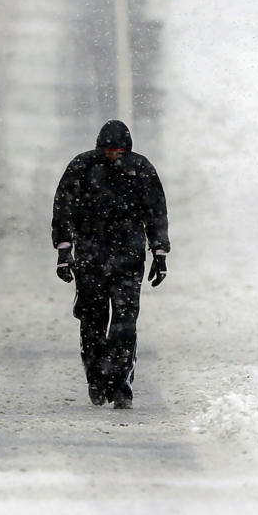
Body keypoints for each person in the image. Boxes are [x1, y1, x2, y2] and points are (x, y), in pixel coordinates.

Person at [52, 119, 170, 409]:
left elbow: (155, 212)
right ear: (99, 147)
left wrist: (159, 252)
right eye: (108, 150)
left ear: (127, 148)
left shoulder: (141, 170)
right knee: (92, 320)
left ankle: (120, 385)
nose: (113, 155)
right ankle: (96, 376)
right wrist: (65, 251)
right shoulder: (82, 168)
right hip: (91, 257)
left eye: (118, 150)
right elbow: (63, 210)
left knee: (125, 323)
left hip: (129, 259)